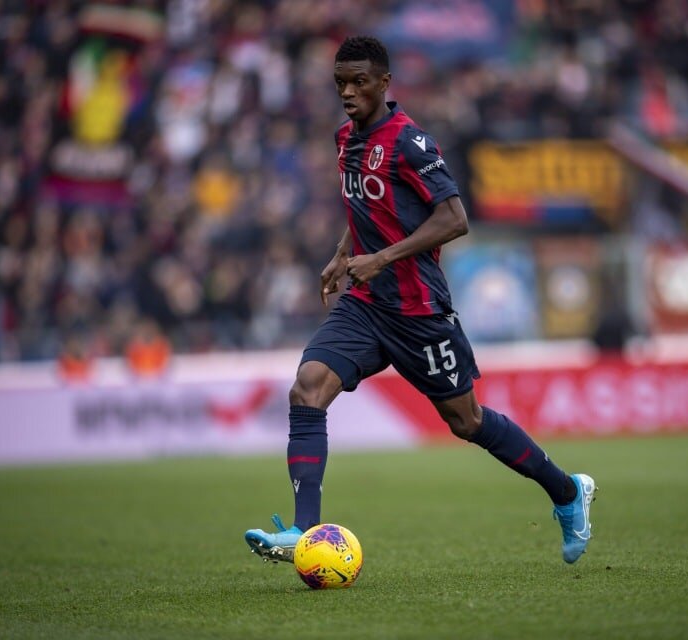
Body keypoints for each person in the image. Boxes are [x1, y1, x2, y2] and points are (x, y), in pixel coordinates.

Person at [244, 36, 596, 565]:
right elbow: (369, 207)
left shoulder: (411, 143)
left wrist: (382, 258)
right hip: (366, 304)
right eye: (340, 82)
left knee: (466, 422)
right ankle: (303, 529)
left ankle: (567, 492)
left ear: (384, 83)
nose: (347, 92)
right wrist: (343, 254)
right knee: (307, 387)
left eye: (359, 81)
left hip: (418, 311)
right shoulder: (345, 138)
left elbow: (455, 219)